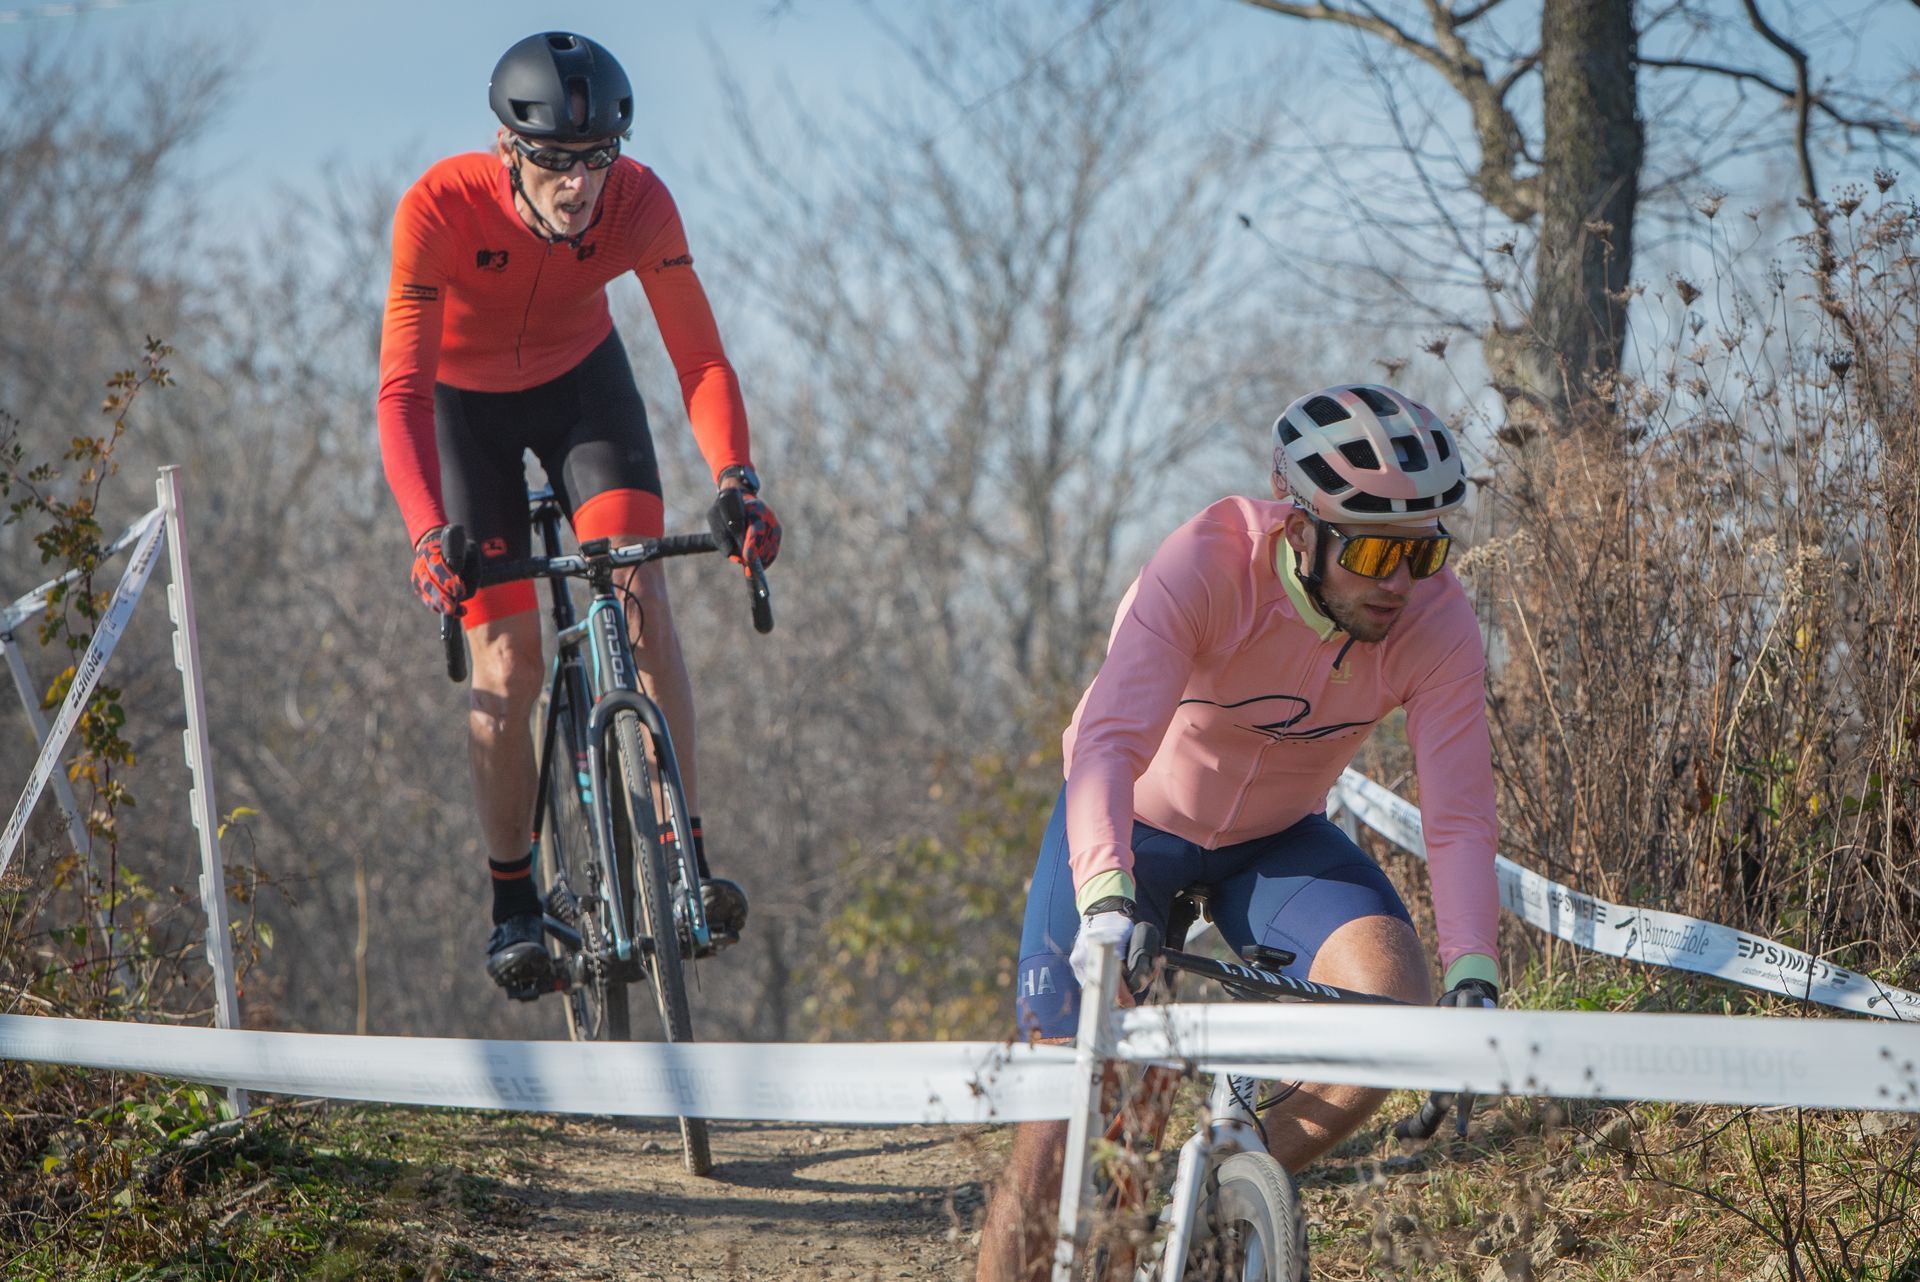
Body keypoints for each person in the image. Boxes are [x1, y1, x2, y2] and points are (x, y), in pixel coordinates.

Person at [975, 383, 1501, 1280]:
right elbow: (1105, 740)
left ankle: (1204, 1191)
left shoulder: (1436, 619)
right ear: (1301, 531)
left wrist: (1473, 977)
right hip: (1133, 829)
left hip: (1275, 840)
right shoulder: (1209, 563)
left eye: (1424, 553)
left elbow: (1456, 816)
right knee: (1061, 1126)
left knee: (1392, 1000)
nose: (1399, 584)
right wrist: (1105, 897)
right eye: (1373, 549)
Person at [376, 31, 779, 999]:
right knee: (508, 662)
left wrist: (737, 481)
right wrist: (430, 535)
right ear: (507, 148)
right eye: (556, 160)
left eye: (596, 157)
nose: (579, 184)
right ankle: (513, 898)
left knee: (640, 595)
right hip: (466, 413)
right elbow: (401, 392)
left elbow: (702, 363)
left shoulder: (640, 202)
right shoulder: (439, 206)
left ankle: (682, 847)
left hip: (584, 396)